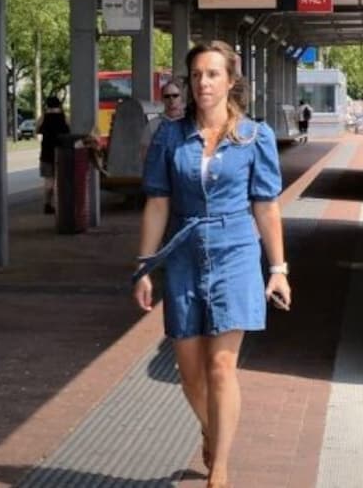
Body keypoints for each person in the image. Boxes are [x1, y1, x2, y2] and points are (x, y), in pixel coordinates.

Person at [132, 40, 291, 488]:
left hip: (235, 250)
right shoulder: (170, 136)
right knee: (189, 372)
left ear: (230, 81)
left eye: (213, 74)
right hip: (183, 251)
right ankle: (211, 427)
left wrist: (278, 269)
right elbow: (157, 204)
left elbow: (266, 206)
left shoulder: (254, 136)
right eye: (197, 75)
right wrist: (144, 267)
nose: (203, 83)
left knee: (221, 365)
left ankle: (219, 469)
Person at [37, 96, 70, 214]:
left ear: (47, 105)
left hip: (46, 153)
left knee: (49, 181)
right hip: (62, 152)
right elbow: (70, 130)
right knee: (62, 180)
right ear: (59, 105)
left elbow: (37, 130)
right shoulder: (64, 117)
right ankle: (62, 205)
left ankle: (47, 204)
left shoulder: (44, 117)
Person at [139, 78, 186, 160]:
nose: (171, 100)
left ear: (181, 98)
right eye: (167, 96)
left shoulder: (190, 123)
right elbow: (144, 155)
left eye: (175, 96)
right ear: (162, 100)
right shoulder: (153, 125)